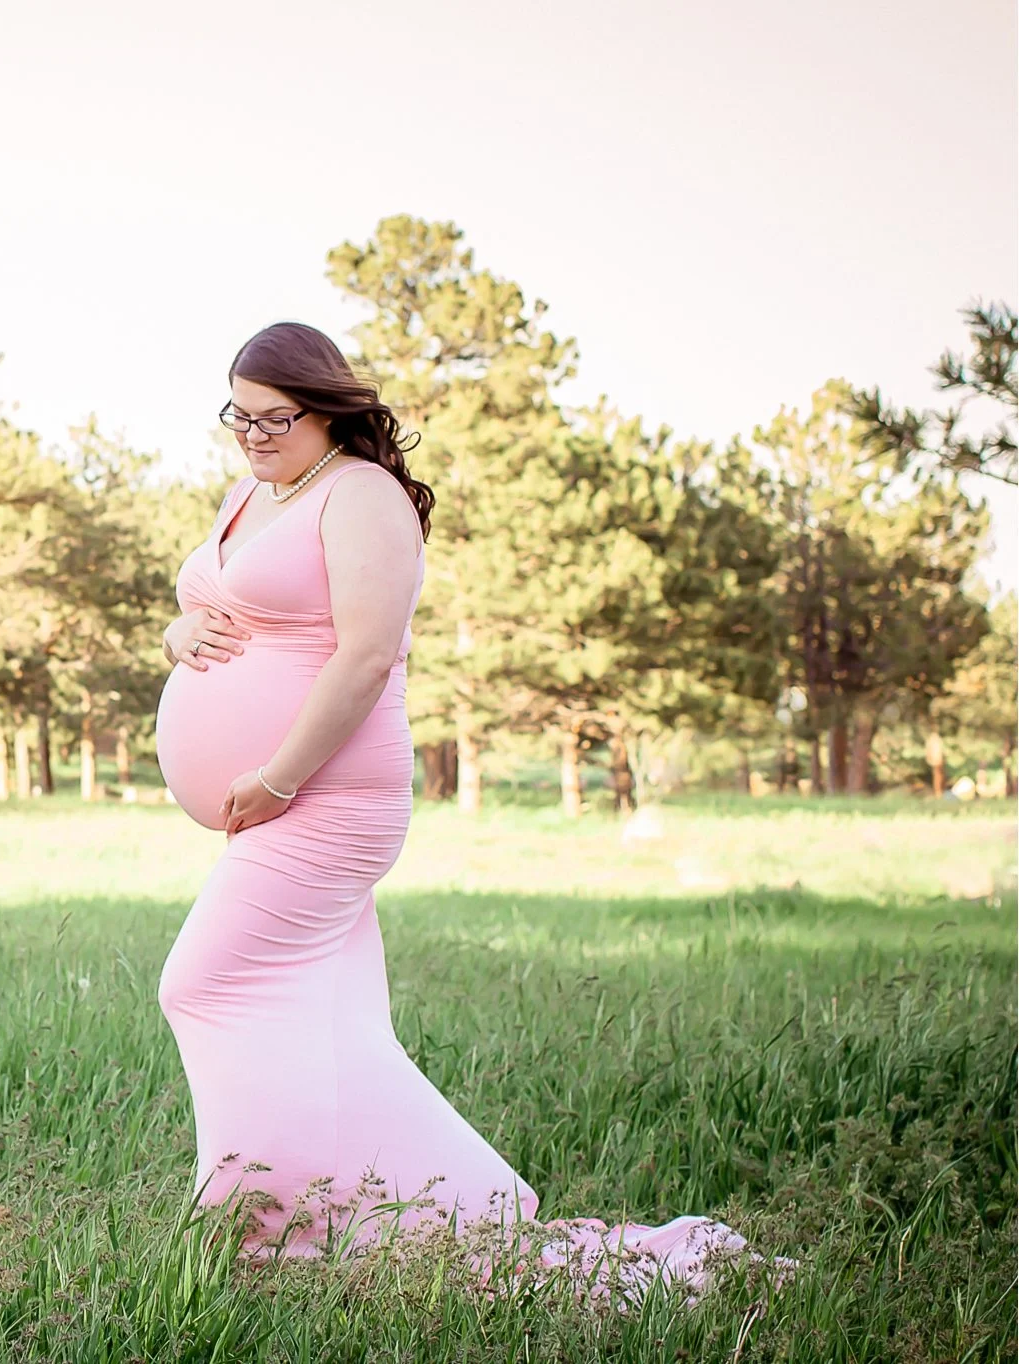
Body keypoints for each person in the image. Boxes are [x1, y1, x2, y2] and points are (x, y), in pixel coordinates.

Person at [151, 320, 793, 1308]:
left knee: (204, 984)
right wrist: (178, 631)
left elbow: (366, 656)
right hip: (280, 798)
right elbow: (215, 605)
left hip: (325, 794)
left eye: (273, 418)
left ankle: (278, 1218)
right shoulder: (255, 492)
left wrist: (277, 776)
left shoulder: (362, 496)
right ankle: (365, 1215)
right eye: (237, 415)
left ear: (328, 410)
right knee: (326, 1018)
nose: (251, 434)